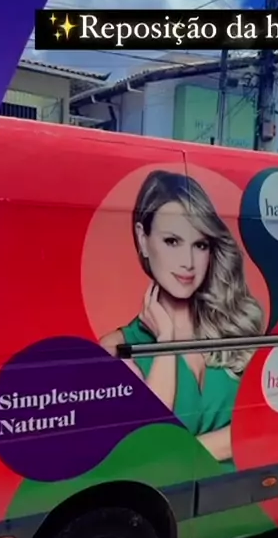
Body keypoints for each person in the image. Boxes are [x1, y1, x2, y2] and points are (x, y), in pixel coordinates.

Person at [100, 169, 264, 467]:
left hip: (247, 492)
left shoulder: (233, 325)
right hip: (168, 496)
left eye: (200, 244)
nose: (188, 262)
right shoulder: (116, 349)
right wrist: (165, 340)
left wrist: (182, 453)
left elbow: (268, 423)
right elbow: (148, 450)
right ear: (142, 239)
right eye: (172, 241)